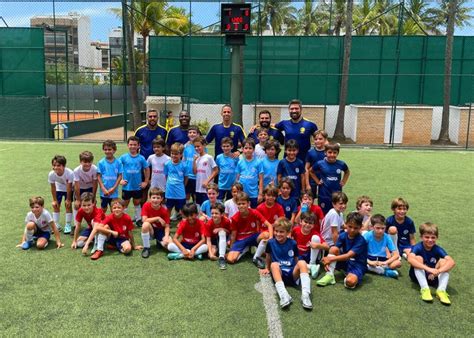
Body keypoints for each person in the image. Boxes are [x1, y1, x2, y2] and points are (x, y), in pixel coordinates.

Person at [259, 217, 313, 310]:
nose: (278, 234)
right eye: (276, 231)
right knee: (274, 264)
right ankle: (283, 295)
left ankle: (305, 295)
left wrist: (301, 269)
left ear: (288, 233)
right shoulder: (271, 242)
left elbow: (296, 258)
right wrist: (267, 268)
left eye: (281, 232)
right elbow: (268, 256)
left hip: (292, 274)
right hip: (279, 274)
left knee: (302, 262)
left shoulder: (293, 243)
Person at [407, 222, 456, 305]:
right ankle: (425, 289)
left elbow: (452, 262)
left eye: (433, 237)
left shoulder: (437, 249)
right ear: (421, 237)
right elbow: (410, 259)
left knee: (444, 262)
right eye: (427, 237)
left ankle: (441, 290)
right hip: (417, 276)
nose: (430, 240)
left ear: (437, 237)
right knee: (418, 258)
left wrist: (438, 271)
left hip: (433, 277)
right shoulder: (417, 247)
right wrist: (429, 269)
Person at [317, 212, 368, 289]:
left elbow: (348, 255)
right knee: (333, 248)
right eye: (350, 226)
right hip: (344, 262)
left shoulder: (361, 240)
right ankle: (330, 275)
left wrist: (329, 259)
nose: (352, 230)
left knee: (350, 282)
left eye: (356, 228)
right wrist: (328, 259)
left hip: (357, 265)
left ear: (360, 227)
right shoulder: (342, 235)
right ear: (345, 224)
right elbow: (334, 250)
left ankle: (348, 277)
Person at [227, 192, 272, 269]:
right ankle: (245, 249)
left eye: (243, 203)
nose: (241, 206)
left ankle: (256, 258)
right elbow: (233, 235)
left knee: (266, 235)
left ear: (248, 204)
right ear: (237, 205)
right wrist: (232, 248)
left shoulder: (254, 212)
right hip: (241, 240)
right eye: (239, 204)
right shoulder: (234, 218)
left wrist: (271, 239)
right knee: (231, 260)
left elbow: (269, 225)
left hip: (253, 237)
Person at [312, 142, 350, 215]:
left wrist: (344, 181)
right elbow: (311, 171)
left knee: (336, 213)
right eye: (329, 152)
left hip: (337, 194)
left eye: (334, 153)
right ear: (325, 152)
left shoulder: (341, 164)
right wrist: (317, 181)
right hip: (323, 194)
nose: (332, 155)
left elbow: (347, 172)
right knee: (323, 214)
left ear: (337, 153)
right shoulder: (320, 163)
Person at [119, 136, 150, 226]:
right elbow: (117, 168)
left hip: (137, 185)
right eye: (131, 144)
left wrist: (146, 181)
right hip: (127, 186)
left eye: (135, 145)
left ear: (138, 146)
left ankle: (138, 219)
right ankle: (124, 219)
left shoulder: (141, 158)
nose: (133, 146)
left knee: (137, 202)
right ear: (128, 145)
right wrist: (120, 180)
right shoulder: (123, 157)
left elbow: (147, 169)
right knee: (125, 203)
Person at [363, 214, 401, 279]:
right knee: (359, 261)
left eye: (383, 228)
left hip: (382, 260)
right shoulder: (367, 235)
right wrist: (369, 262)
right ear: (372, 227)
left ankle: (374, 269)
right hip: (369, 258)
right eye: (378, 228)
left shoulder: (387, 237)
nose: (380, 230)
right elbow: (359, 252)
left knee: (398, 263)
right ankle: (383, 271)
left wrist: (385, 262)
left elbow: (396, 255)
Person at [291, 212, 328, 279]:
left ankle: (312, 263)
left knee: (315, 238)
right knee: (292, 260)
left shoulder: (314, 233)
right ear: (301, 222)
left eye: (310, 223)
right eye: (306, 222)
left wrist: (317, 245)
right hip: (299, 256)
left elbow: (327, 247)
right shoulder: (296, 230)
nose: (307, 225)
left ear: (313, 225)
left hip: (309, 255)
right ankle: (311, 267)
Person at [140, 188, 171, 259]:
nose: (155, 200)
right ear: (150, 198)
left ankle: (159, 241)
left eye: (158, 198)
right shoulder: (146, 205)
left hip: (160, 230)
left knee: (169, 247)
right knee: (145, 225)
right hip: (151, 230)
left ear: (161, 199)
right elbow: (144, 220)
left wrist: (166, 237)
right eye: (153, 198)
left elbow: (167, 226)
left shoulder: (164, 210)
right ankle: (146, 248)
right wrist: (158, 218)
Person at [72, 151, 98, 234]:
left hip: (90, 188)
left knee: (92, 205)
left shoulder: (94, 169)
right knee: (76, 206)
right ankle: (76, 225)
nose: (87, 164)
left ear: (92, 161)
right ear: (80, 162)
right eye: (85, 162)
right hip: (80, 188)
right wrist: (78, 199)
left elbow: (95, 183)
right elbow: (76, 185)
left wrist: (93, 197)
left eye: (89, 162)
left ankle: (93, 224)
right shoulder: (76, 170)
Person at [48, 155, 74, 233]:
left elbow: (69, 187)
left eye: (58, 165)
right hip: (58, 189)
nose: (56, 167)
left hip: (68, 189)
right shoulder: (51, 174)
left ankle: (68, 224)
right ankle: (56, 225)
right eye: (54, 165)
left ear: (64, 166)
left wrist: (68, 199)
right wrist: (54, 200)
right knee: (56, 205)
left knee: (68, 206)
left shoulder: (69, 173)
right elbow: (53, 187)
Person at [236, 138, 264, 208]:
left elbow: (261, 179)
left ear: (254, 150)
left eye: (250, 148)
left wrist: (260, 194)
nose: (248, 150)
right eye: (246, 148)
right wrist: (237, 192)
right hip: (242, 194)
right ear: (242, 149)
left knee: (253, 213)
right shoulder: (240, 162)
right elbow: (237, 178)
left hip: (253, 194)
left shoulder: (258, 162)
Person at [97, 140, 123, 213]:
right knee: (103, 209)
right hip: (104, 191)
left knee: (114, 209)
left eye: (109, 149)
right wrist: (103, 188)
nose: (107, 151)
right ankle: (102, 222)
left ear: (114, 150)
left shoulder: (118, 162)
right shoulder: (101, 162)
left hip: (114, 192)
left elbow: (120, 176)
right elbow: (98, 176)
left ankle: (113, 223)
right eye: (105, 149)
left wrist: (113, 188)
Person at [164, 143, 188, 219]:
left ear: (181, 155)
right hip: (170, 191)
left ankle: (184, 222)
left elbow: (186, 177)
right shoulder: (167, 164)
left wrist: (182, 185)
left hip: (180, 191)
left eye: (176, 154)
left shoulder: (184, 165)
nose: (174, 156)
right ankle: (167, 222)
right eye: (172, 153)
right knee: (168, 207)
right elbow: (166, 176)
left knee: (182, 208)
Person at [204, 202, 231, 270]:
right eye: (212, 213)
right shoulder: (209, 224)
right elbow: (208, 240)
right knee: (211, 255)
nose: (213, 215)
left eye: (216, 213)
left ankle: (221, 258)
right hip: (213, 241)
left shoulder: (226, 221)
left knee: (222, 232)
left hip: (224, 238)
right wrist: (210, 253)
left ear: (222, 214)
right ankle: (220, 249)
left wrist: (221, 229)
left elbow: (229, 232)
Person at [193, 136, 218, 206]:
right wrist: (194, 161)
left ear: (204, 145)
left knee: (208, 207)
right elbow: (195, 172)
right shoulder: (197, 158)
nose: (196, 148)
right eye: (195, 147)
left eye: (198, 146)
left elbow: (216, 170)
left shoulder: (209, 157)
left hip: (207, 189)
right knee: (199, 207)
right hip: (198, 188)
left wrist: (207, 181)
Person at [305, 130, 328, 197]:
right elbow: (306, 168)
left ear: (325, 139)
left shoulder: (328, 152)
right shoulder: (310, 152)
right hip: (312, 181)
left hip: (325, 181)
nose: (318, 141)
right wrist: (307, 184)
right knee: (310, 199)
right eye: (316, 139)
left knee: (324, 199)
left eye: (320, 139)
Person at [182, 125, 201, 203]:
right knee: (186, 194)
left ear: (198, 134)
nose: (192, 134)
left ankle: (197, 211)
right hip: (188, 176)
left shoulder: (201, 146)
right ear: (187, 134)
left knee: (196, 196)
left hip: (197, 176)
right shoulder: (185, 146)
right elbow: (184, 159)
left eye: (194, 132)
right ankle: (185, 212)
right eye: (190, 132)